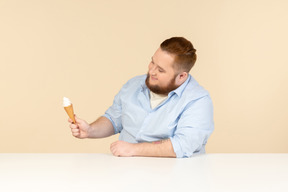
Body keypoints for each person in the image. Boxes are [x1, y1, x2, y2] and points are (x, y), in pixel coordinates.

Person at [68, 37, 214, 158]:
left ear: (181, 76)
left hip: (172, 177)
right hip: (126, 174)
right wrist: (90, 130)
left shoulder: (198, 101)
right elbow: (114, 119)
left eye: (161, 70)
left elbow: (183, 144)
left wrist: (134, 149)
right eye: (152, 62)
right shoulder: (134, 84)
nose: (151, 71)